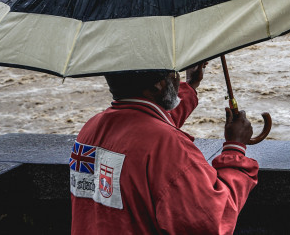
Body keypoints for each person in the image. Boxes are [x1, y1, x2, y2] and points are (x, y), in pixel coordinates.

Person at [70, 63, 259, 234]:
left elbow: (143, 128)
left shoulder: (90, 130)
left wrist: (190, 86)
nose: (176, 78)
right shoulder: (168, 146)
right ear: (158, 85)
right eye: (173, 73)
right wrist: (235, 148)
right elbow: (212, 220)